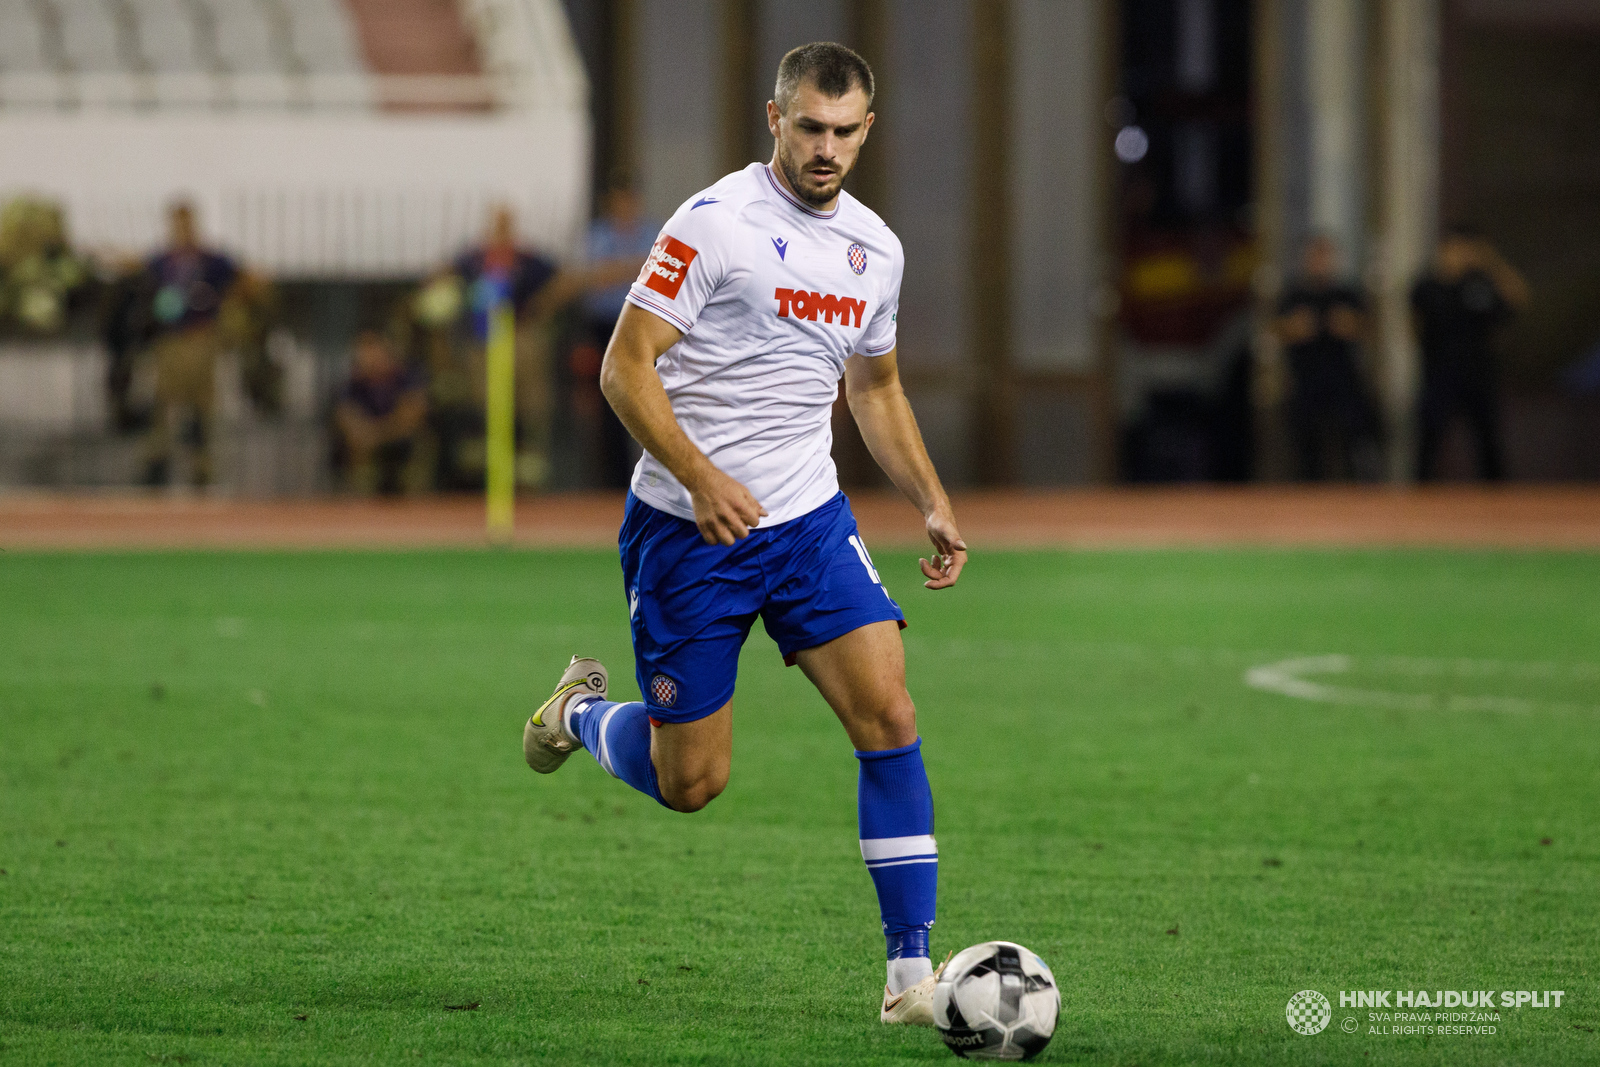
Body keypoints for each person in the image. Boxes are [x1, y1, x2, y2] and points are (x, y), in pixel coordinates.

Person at [520, 42, 968, 1026]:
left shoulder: (875, 249)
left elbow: (875, 385)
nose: (825, 148)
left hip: (807, 524)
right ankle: (579, 714)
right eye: (808, 126)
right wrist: (699, 473)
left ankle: (909, 976)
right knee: (695, 782)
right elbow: (624, 368)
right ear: (775, 119)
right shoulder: (714, 226)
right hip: (687, 534)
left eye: (844, 131)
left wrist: (928, 497)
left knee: (889, 716)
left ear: (867, 131)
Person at [1412, 225, 1530, 481]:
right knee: (1429, 440)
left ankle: (1497, 503)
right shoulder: (1427, 286)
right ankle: (1417, 500)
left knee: (1488, 441)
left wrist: (1491, 262)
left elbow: (1519, 298)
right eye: (1454, 248)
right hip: (1439, 374)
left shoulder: (1482, 282)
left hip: (1478, 373)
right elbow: (1414, 325)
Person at [140, 201, 239, 487]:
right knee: (164, 400)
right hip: (171, 338)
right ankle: (158, 459)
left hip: (201, 337)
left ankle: (201, 464)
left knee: (201, 405)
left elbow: (238, 280)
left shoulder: (210, 259)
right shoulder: (163, 260)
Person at [577, 175, 662, 487]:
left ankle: (652, 472)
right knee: (609, 399)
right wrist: (631, 267)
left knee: (649, 395)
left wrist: (615, 269)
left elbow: (658, 273)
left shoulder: (652, 231)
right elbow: (593, 276)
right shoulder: (598, 234)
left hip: (643, 324)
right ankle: (611, 480)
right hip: (604, 325)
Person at [1274, 234, 1380, 480]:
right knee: (1305, 438)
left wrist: (1348, 324)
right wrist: (1295, 328)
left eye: (1325, 256)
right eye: (1315, 256)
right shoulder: (1294, 295)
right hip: (1306, 379)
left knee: (1354, 434)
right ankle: (1306, 487)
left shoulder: (1346, 294)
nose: (1320, 262)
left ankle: (1359, 487)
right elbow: (1278, 329)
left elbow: (1365, 327)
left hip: (1342, 378)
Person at [335, 330, 428, 496]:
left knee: (420, 446)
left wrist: (378, 434)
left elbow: (411, 414)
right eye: (362, 349)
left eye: (372, 347)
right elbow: (345, 416)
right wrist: (364, 434)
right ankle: (361, 506)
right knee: (353, 448)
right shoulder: (354, 384)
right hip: (367, 448)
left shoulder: (406, 375)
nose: (367, 355)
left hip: (401, 443)